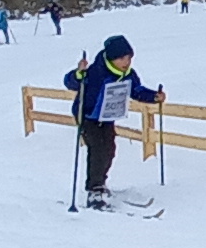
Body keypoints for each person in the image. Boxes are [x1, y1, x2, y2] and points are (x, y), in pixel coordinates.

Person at [64, 34, 163, 206]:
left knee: (109, 149)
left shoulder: (128, 75)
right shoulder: (96, 71)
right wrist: (78, 73)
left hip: (108, 117)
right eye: (122, 59)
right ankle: (94, 190)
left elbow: (136, 91)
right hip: (87, 116)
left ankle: (100, 182)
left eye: (129, 58)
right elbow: (70, 83)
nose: (126, 62)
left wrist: (154, 96)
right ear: (112, 58)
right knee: (97, 150)